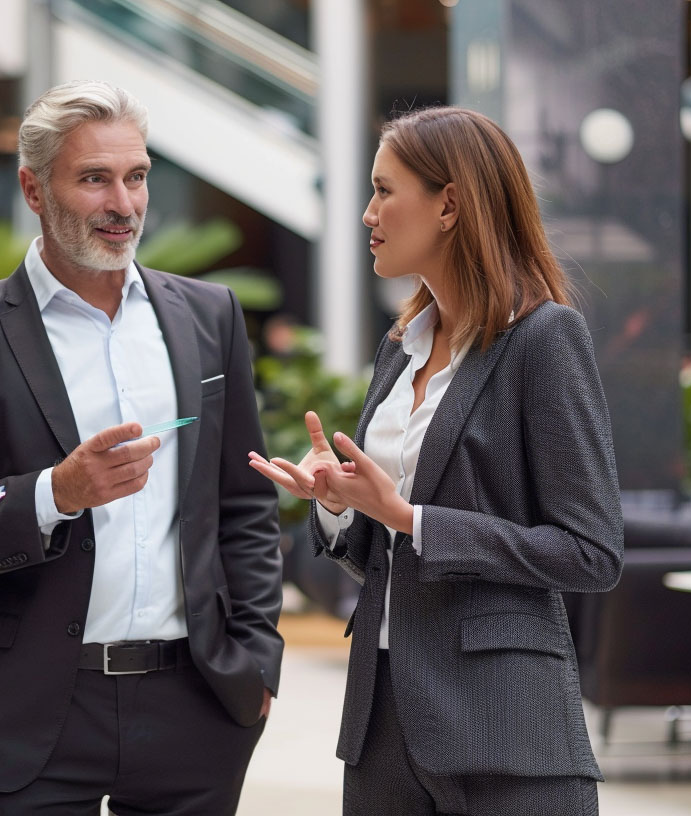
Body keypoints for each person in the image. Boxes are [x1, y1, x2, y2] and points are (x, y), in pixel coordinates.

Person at [0, 80, 284, 815]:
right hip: (31, 708)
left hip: (196, 703)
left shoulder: (209, 315)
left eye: (135, 177)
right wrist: (54, 495)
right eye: (94, 179)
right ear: (33, 189)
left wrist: (257, 658)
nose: (124, 204)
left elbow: (243, 503)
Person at [249, 106, 624, 816]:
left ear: (449, 203)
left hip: (505, 728)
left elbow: (591, 551)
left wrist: (412, 517)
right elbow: (383, 553)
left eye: (385, 190)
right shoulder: (401, 347)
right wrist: (338, 504)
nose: (367, 213)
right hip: (382, 718)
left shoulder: (543, 340)